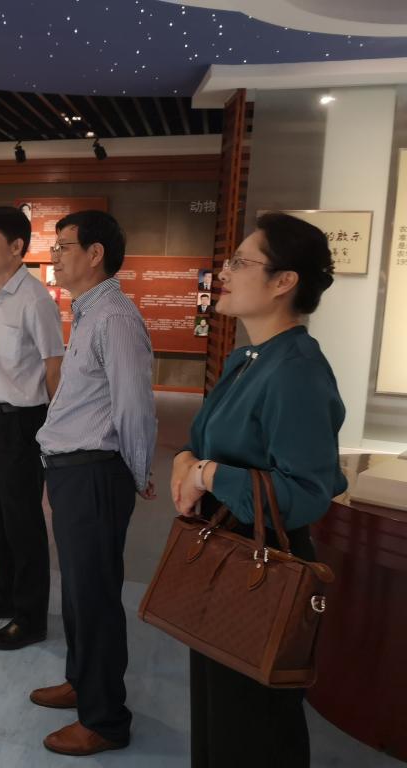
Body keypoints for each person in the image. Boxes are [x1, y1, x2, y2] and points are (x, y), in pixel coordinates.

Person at [171, 213, 345, 768]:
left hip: (265, 563)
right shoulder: (247, 359)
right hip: (226, 550)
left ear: (283, 281)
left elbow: (308, 492)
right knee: (220, 710)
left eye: (241, 262)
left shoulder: (296, 371)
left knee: (252, 726)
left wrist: (207, 475)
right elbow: (203, 439)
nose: (224, 272)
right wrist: (184, 459)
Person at [30, 210, 157, 757]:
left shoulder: (115, 318)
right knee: (78, 592)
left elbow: (134, 405)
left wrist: (138, 471)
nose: (55, 256)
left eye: (63, 246)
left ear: (95, 253)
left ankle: (105, 719)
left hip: (95, 473)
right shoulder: (88, 312)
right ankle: (81, 681)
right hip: (71, 471)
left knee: (96, 596)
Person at [0, 206, 64, 654]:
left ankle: (31, 616)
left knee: (23, 522)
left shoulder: (35, 299)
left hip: (23, 423)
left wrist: (54, 429)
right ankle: (5, 594)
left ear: (17, 246)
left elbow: (54, 366)